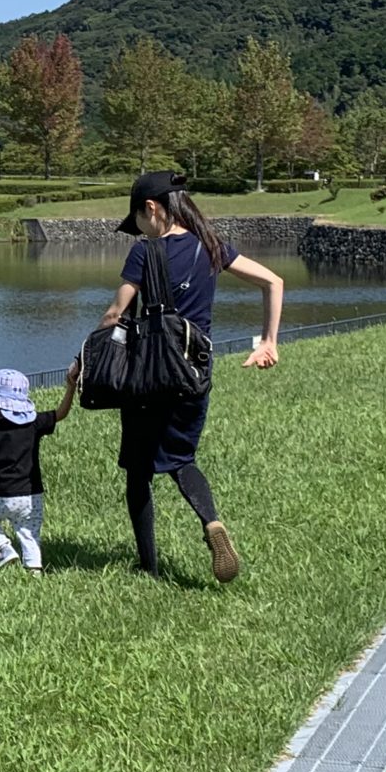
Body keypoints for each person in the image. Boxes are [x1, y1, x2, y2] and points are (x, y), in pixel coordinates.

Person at [96, 171, 284, 582]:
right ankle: (211, 522)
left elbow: (115, 314)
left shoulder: (145, 252)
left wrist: (86, 357)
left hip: (149, 375)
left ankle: (148, 567)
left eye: (138, 222)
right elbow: (273, 281)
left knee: (139, 470)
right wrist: (268, 341)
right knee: (182, 460)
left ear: (151, 208)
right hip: (194, 371)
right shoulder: (211, 247)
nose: (138, 231)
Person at [0, 366, 75, 573]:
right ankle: (34, 571)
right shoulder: (34, 424)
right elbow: (60, 414)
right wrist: (70, 388)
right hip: (32, 496)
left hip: (3, 495)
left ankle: (4, 548)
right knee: (29, 533)